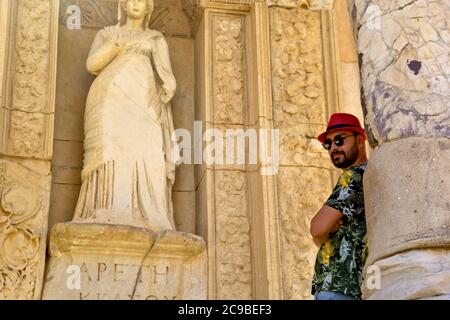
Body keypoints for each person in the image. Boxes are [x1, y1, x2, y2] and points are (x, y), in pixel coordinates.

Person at [73, 0, 179, 232]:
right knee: (110, 147)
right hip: (109, 99)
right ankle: (106, 206)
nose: (136, 4)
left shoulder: (155, 38)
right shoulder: (108, 33)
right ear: (122, 5)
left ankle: (150, 212)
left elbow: (166, 73)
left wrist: (169, 86)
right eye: (131, 0)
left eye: (142, 1)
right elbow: (92, 64)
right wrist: (114, 46)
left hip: (144, 98)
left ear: (149, 7)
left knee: (148, 148)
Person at [310, 113, 369, 300]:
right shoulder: (370, 173)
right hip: (359, 287)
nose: (333, 147)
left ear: (359, 140)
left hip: (338, 287)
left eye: (339, 140)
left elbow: (317, 228)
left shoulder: (352, 176)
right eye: (328, 144)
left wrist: (325, 233)